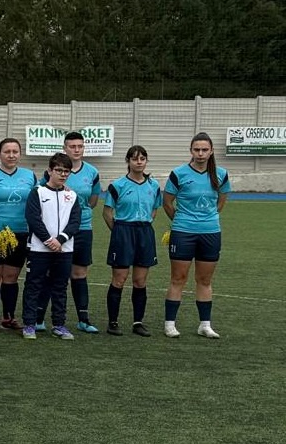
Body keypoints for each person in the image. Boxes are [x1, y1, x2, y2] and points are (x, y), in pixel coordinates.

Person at [162, 133, 229, 339]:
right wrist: (182, 221)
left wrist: (207, 219)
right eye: (196, 150)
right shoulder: (178, 174)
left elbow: (221, 201)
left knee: (205, 279)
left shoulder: (221, 174)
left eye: (204, 150)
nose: (200, 154)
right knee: (178, 278)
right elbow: (167, 202)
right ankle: (170, 324)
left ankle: (205, 325)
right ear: (191, 151)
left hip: (210, 232)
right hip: (183, 232)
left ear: (211, 151)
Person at [21, 153, 83, 341]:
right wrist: (49, 240)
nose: (63, 174)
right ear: (49, 171)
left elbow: (75, 221)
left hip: (64, 249)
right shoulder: (38, 192)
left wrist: (61, 240)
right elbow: (33, 218)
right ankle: (30, 324)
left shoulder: (72, 196)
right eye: (59, 170)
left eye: (66, 171)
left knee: (60, 287)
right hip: (39, 249)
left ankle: (59, 324)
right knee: (33, 286)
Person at [0, 138, 36, 332]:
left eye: (15, 152)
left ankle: (9, 317)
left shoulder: (30, 176)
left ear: (20, 154)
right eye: (7, 151)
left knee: (11, 276)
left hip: (20, 232)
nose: (11, 155)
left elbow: (38, 201)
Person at [103, 145, 160, 337]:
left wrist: (145, 222)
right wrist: (120, 231)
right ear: (128, 161)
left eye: (142, 158)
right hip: (123, 231)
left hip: (144, 232)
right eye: (134, 158)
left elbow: (154, 209)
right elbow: (107, 213)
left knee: (140, 280)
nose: (139, 162)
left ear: (146, 161)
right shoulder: (117, 185)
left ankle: (138, 322)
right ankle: (113, 322)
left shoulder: (153, 186)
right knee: (119, 279)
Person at [58, 131, 103, 334]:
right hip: (58, 229)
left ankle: (83, 319)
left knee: (79, 273)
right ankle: (50, 318)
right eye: (72, 146)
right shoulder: (57, 170)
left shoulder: (92, 172)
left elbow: (93, 200)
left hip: (83, 228)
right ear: (65, 148)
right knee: (57, 273)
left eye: (80, 146)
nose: (76, 150)